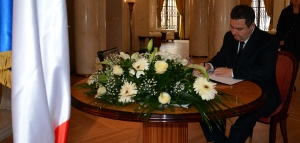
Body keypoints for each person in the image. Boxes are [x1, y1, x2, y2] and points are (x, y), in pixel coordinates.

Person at [199, 5, 281, 143]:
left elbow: (265, 72)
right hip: (235, 91)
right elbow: (221, 57)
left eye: (239, 29)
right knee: (207, 109)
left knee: (245, 121)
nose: (233, 32)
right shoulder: (229, 37)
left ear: (252, 25)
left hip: (264, 95)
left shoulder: (268, 41)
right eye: (231, 27)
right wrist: (208, 65)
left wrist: (232, 72)